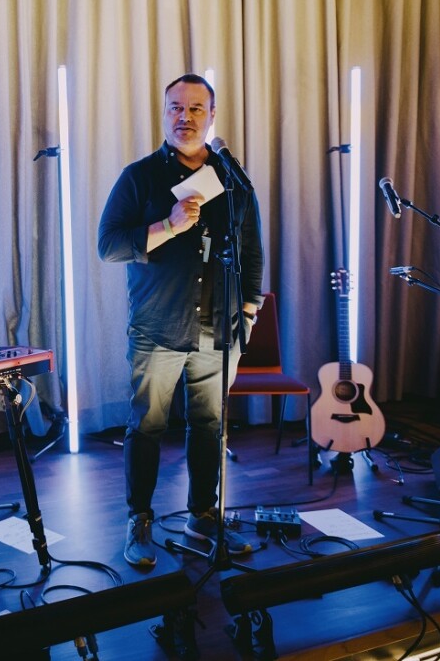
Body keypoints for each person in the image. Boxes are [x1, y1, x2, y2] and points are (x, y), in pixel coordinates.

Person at [97, 74, 264, 567]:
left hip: (219, 328)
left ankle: (203, 517)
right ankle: (140, 520)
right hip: (157, 327)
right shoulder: (139, 177)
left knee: (210, 425)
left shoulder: (232, 180)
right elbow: (108, 246)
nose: (184, 117)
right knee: (147, 426)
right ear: (164, 113)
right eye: (175, 107)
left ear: (212, 116)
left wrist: (249, 312)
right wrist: (167, 225)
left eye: (195, 108)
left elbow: (251, 251)